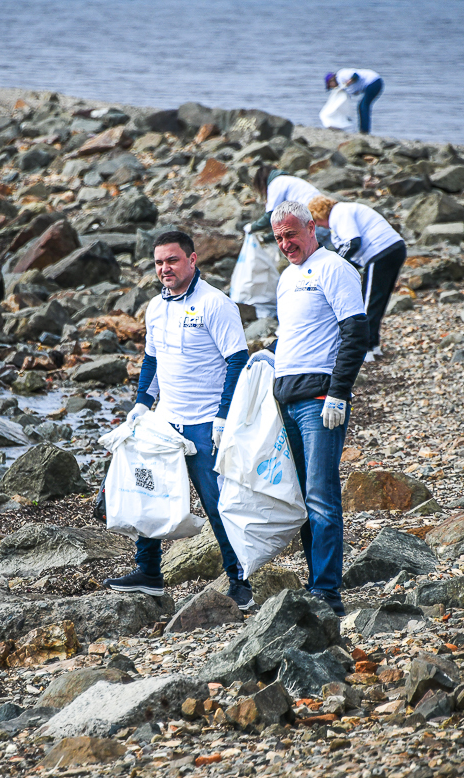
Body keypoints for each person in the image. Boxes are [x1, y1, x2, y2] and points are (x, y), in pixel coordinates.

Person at [102, 230, 254, 608]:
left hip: (205, 424)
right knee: (148, 494)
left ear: (192, 259)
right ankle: (149, 572)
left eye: (172, 260)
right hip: (165, 420)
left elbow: (238, 360)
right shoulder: (156, 307)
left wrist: (223, 416)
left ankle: (241, 583)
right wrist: (142, 404)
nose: (164, 268)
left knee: (218, 506)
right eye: (158, 262)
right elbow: (152, 360)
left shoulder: (215, 304)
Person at [268, 200, 369, 617]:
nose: (285, 243)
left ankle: (328, 592)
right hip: (287, 401)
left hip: (319, 402)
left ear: (312, 228)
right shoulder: (287, 278)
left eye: (291, 234)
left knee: (321, 497)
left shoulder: (334, 269)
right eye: (279, 238)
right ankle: (315, 583)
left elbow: (356, 332)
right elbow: (292, 336)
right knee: (301, 500)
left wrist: (339, 393)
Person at [307, 196, 406, 362]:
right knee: (378, 301)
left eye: (316, 221)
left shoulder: (339, 212)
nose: (318, 226)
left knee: (368, 304)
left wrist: (333, 264)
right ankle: (373, 346)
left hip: (380, 252)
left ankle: (364, 349)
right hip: (395, 248)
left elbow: (352, 242)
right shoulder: (345, 211)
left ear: (320, 213)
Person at [247, 164, 323, 236]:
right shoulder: (288, 180)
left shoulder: (276, 183)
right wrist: (267, 238)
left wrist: (252, 227)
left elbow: (271, 216)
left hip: (311, 216)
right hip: (321, 211)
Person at [326, 69, 383, 134]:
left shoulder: (341, 74)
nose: (332, 88)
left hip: (374, 81)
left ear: (331, 80)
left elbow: (356, 75)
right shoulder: (342, 85)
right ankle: (363, 129)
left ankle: (364, 131)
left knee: (363, 106)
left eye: (330, 86)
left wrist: (350, 81)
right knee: (362, 106)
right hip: (372, 84)